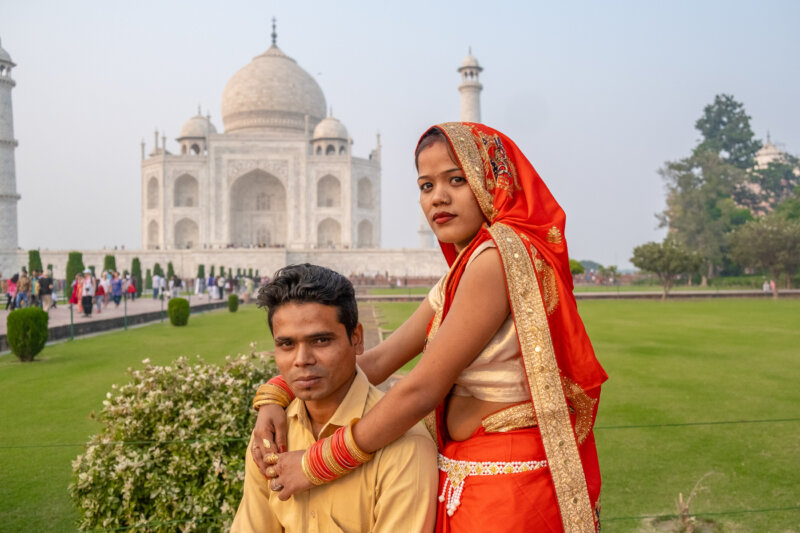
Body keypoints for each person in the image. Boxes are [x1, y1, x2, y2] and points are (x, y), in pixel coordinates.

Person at [255, 123, 608, 532]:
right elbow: (383, 358)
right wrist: (277, 394)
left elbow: (422, 388)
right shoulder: (466, 268)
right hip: (469, 474)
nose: (438, 196)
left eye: (456, 180)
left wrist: (317, 463)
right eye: (426, 185)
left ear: (492, 180)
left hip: (508, 483)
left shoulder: (495, 260)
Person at [231, 264, 437, 532]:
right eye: (286, 344)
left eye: (321, 341)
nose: (302, 360)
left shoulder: (405, 446)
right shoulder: (272, 433)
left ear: (357, 339)